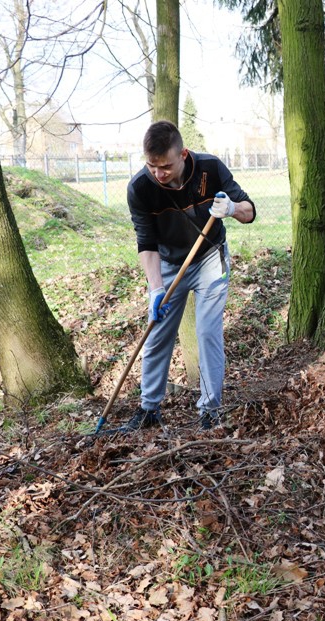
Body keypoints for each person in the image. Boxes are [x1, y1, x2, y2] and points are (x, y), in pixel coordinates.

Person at [124, 120, 255, 431]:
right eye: (152, 166)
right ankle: (148, 409)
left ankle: (210, 411)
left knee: (208, 333)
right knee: (157, 334)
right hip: (169, 265)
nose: (158, 174)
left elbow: (249, 212)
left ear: (182, 154)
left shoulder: (210, 169)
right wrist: (156, 289)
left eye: (165, 166)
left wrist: (232, 208)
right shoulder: (140, 188)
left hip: (210, 258)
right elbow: (146, 242)